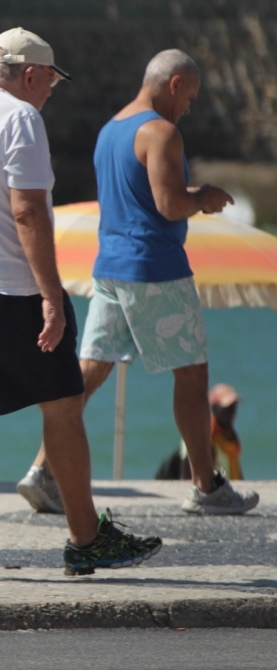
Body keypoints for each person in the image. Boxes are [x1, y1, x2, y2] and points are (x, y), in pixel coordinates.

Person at [0, 27, 162, 579]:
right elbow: (28, 212)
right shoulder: (20, 118)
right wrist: (52, 294)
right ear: (29, 74)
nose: (50, 91)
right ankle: (86, 538)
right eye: (49, 80)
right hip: (7, 289)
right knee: (64, 402)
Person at [15, 49, 259, 516]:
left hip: (110, 266)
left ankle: (43, 470)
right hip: (155, 268)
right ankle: (206, 487)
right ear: (173, 84)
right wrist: (202, 197)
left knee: (90, 370)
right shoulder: (162, 131)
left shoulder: (111, 131)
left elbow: (139, 197)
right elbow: (168, 205)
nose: (189, 107)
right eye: (189, 96)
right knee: (191, 373)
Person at [157, 383, 245, 481]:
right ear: (214, 408)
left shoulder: (230, 438)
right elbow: (186, 477)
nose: (232, 412)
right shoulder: (198, 435)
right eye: (227, 408)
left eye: (233, 407)